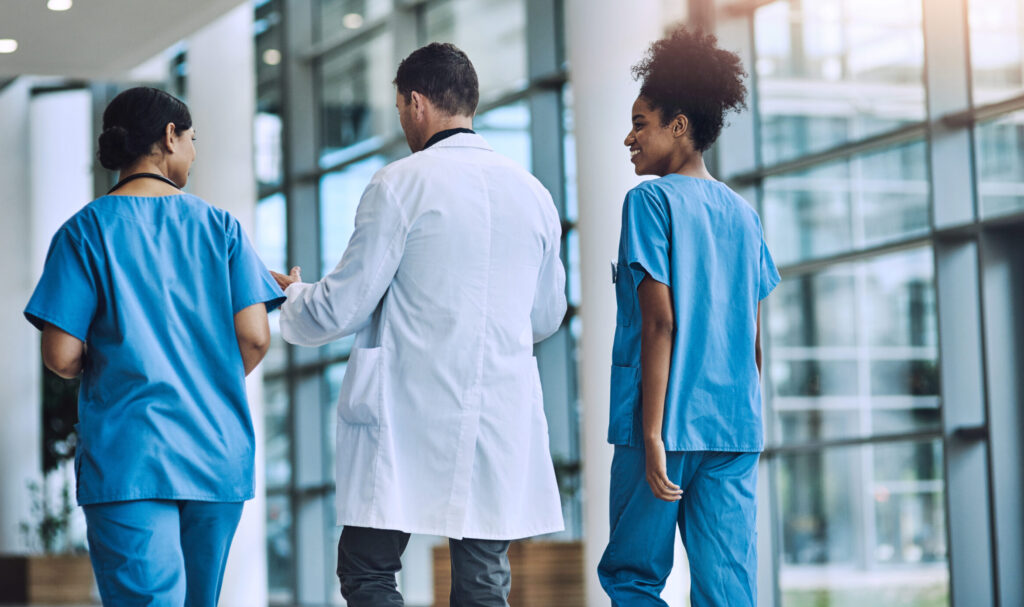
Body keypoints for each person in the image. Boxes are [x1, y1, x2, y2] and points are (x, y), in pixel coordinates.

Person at [272, 42, 566, 607]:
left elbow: (341, 306)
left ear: (415, 103)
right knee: (483, 583)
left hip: (407, 414)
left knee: (368, 569)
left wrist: (293, 296)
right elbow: (546, 314)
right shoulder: (533, 194)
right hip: (495, 415)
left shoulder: (399, 184)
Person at [23, 87, 285, 607]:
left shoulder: (84, 231)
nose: (194, 151)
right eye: (192, 140)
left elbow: (61, 355)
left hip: (129, 456)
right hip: (215, 455)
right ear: (169, 137)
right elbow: (256, 335)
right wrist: (207, 377)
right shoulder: (222, 227)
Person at [597, 27, 780, 607]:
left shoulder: (648, 203)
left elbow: (660, 324)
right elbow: (751, 341)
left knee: (632, 579)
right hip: (733, 427)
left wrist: (652, 433)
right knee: (729, 591)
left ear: (679, 126)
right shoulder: (744, 215)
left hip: (663, 424)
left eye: (641, 122)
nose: (628, 138)